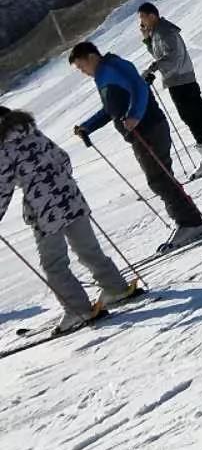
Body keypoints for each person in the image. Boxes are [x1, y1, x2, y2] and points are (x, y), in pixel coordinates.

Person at [0, 105, 137, 328]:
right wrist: (59, 182)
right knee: (88, 249)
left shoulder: (4, 149)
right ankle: (115, 288)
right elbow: (63, 158)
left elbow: (2, 188)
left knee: (54, 263)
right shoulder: (34, 133)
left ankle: (78, 310)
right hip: (71, 198)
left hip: (45, 212)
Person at [68, 42, 202, 246]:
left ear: (91, 57)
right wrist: (87, 126)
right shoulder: (103, 73)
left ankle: (190, 223)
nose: (83, 72)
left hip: (148, 129)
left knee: (159, 179)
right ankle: (191, 221)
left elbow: (139, 87)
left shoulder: (111, 67)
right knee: (161, 178)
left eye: (82, 66)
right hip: (142, 132)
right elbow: (111, 109)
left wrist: (135, 115)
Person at [137, 2, 202, 179]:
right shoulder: (159, 32)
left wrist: (154, 67)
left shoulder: (163, 31)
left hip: (179, 80)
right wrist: (148, 39)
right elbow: (161, 54)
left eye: (142, 18)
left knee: (190, 117)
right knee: (201, 112)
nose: (141, 22)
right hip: (182, 78)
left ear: (152, 16)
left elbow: (172, 56)